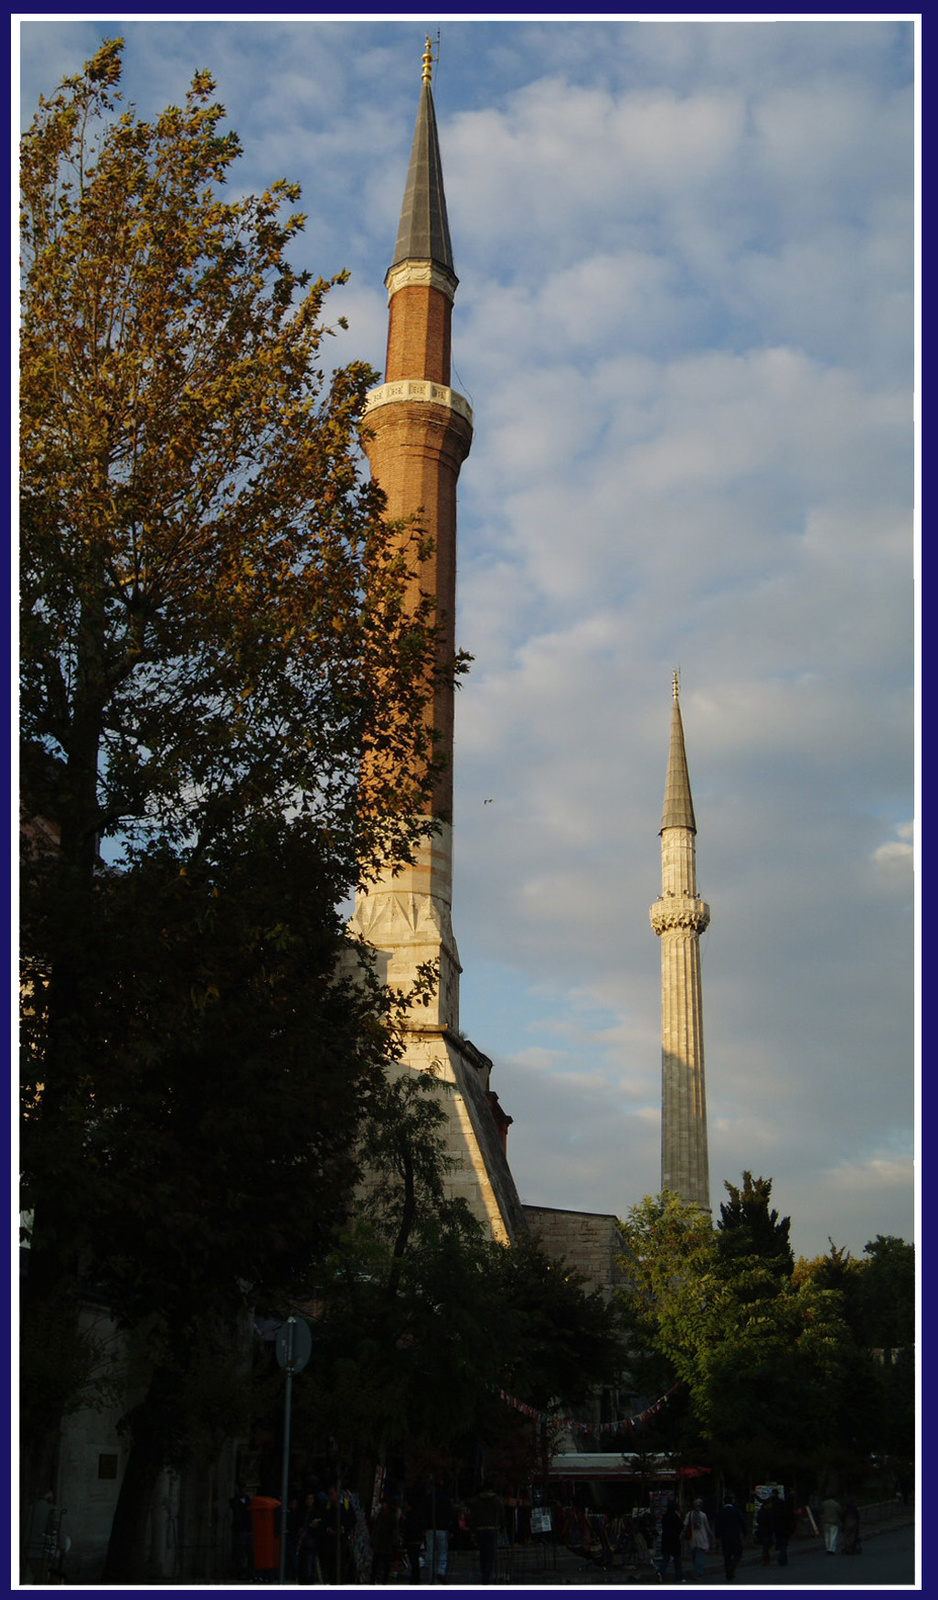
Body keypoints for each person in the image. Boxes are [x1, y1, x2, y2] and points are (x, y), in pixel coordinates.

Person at [470, 1482, 503, 1584]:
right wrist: (500, 1526)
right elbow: (502, 1514)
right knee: (491, 1553)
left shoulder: (476, 1501)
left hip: (480, 1529)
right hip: (492, 1528)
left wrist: (473, 1531)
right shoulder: (497, 1500)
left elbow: (472, 1516)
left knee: (483, 1553)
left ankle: (484, 1573)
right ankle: (488, 1575)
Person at [713, 1492, 746, 1581]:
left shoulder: (721, 1512)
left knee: (727, 1555)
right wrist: (744, 1533)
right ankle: (733, 1565)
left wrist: (717, 1536)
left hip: (725, 1537)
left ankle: (728, 1573)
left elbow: (717, 1525)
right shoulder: (736, 1511)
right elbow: (742, 1522)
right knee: (738, 1553)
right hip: (735, 1536)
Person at [426, 1474, 453, 1582]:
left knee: (430, 1552)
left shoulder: (429, 1498)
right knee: (443, 1552)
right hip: (443, 1528)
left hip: (430, 1527)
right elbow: (450, 1514)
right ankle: (440, 1571)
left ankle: (431, 1575)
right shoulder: (446, 1499)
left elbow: (425, 1513)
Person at [370, 1495, 399, 1585]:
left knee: (385, 1562)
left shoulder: (391, 1516)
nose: (383, 1505)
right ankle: (373, 1579)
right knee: (376, 1561)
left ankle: (383, 1580)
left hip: (387, 1542)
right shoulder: (380, 1514)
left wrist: (394, 1542)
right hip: (379, 1542)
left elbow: (394, 1530)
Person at [402, 1486, 428, 1584]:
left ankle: (414, 1579)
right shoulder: (418, 1515)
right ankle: (415, 1578)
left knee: (413, 1561)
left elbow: (408, 1528)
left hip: (412, 1540)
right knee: (415, 1561)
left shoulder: (410, 1516)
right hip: (416, 1540)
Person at [682, 1497, 713, 1580]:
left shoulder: (689, 1515)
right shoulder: (703, 1515)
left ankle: (695, 1570)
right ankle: (699, 1572)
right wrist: (711, 1535)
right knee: (701, 1556)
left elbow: (685, 1526)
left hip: (692, 1538)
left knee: (694, 1556)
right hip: (702, 1538)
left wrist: (682, 1536)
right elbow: (707, 1527)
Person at [229, 1484, 253, 1578]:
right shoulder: (234, 1501)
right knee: (240, 1552)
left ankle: (249, 1571)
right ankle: (240, 1572)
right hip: (240, 1529)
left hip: (247, 1528)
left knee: (249, 1551)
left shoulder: (248, 1501)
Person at [658, 1498, 684, 1581]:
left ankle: (661, 1572)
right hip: (674, 1540)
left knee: (666, 1558)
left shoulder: (665, 1516)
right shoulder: (676, 1517)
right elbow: (680, 1527)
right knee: (677, 1559)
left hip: (666, 1539)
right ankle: (679, 1576)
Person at [770, 1489, 796, 1567]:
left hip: (777, 1529)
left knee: (780, 1543)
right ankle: (782, 1558)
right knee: (784, 1544)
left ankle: (781, 1557)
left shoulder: (775, 1511)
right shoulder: (786, 1513)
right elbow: (791, 1521)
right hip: (785, 1530)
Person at [755, 1494, 774, 1564]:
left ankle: (766, 1557)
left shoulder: (765, 1511)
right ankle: (765, 1558)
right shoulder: (765, 1511)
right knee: (766, 1544)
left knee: (767, 1544)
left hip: (766, 1529)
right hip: (765, 1529)